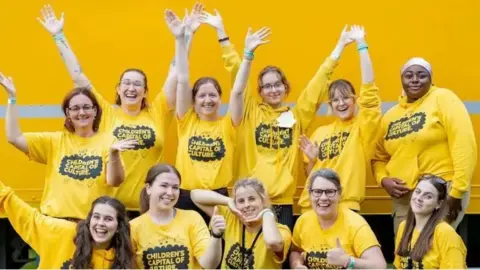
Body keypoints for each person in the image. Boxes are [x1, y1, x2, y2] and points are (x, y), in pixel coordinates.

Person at [36, 4, 203, 216]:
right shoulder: (105, 112)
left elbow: (176, 72)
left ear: (144, 92)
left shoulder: (158, 111)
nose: (131, 88)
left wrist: (186, 36)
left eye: (137, 84)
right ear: (118, 89)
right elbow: (78, 76)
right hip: (109, 210)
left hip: (147, 209)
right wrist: (58, 35)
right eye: (126, 83)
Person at [200, 10, 351, 229]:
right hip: (250, 201)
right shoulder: (251, 110)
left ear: (285, 87)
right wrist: (223, 35)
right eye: (267, 86)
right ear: (260, 90)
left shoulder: (295, 116)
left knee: (279, 257)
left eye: (277, 84)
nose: (273, 90)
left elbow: (318, 83)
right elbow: (236, 73)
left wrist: (339, 48)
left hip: (282, 203)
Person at [172, 7, 271, 222]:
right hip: (186, 197)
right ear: (193, 100)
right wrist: (183, 38)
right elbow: (182, 77)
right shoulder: (186, 120)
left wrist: (246, 54)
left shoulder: (229, 124)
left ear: (219, 99)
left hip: (219, 197)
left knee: (220, 249)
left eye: (213, 95)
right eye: (201, 96)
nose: (207, 100)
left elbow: (238, 90)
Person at [0, 73, 135, 220]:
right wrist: (12, 97)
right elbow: (14, 137)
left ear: (95, 111)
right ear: (68, 113)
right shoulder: (55, 141)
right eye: (75, 108)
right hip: (55, 223)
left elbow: (115, 181)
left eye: (86, 107)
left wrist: (114, 154)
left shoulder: (109, 141)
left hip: (92, 225)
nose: (81, 112)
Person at [372, 57, 477, 233]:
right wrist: (383, 179)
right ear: (402, 80)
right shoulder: (390, 116)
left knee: (431, 249)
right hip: (405, 197)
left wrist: (456, 192)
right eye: (408, 75)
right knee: (404, 251)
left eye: (421, 75)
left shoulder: (443, 98)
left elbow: (464, 144)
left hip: (441, 191)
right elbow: (378, 157)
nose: (414, 79)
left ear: (430, 79)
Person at [297, 25, 381, 213]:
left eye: (345, 98)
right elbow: (311, 176)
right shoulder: (321, 132)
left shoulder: (362, 128)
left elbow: (369, 90)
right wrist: (312, 160)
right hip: (311, 207)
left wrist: (361, 45)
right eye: (335, 100)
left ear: (355, 100)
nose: (341, 103)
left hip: (345, 207)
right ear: (330, 105)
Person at [0, 178, 134, 268]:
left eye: (108, 219)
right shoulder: (63, 233)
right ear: (89, 220)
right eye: (96, 217)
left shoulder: (120, 259)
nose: (100, 223)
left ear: (118, 227)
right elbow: (28, 217)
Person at [130, 162, 222, 269]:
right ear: (148, 188)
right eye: (164, 185)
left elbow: (209, 265)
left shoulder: (192, 218)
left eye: (175, 187)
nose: (170, 192)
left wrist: (216, 236)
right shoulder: (133, 227)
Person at [290, 169, 386, 269]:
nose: (323, 197)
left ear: (340, 194)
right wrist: (296, 264)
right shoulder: (303, 221)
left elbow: (380, 266)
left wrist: (348, 261)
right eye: (317, 192)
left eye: (330, 192)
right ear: (309, 194)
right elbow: (296, 250)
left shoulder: (355, 224)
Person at [191, 178, 291, 269]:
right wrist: (228, 201)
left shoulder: (281, 230)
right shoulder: (231, 218)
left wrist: (267, 212)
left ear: (263, 201)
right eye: (241, 201)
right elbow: (195, 195)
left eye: (252, 199)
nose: (246, 205)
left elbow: (272, 242)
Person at [394, 174, 467, 269]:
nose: (419, 198)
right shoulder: (404, 227)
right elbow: (397, 266)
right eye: (417, 192)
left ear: (438, 204)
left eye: (428, 196)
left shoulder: (445, 233)